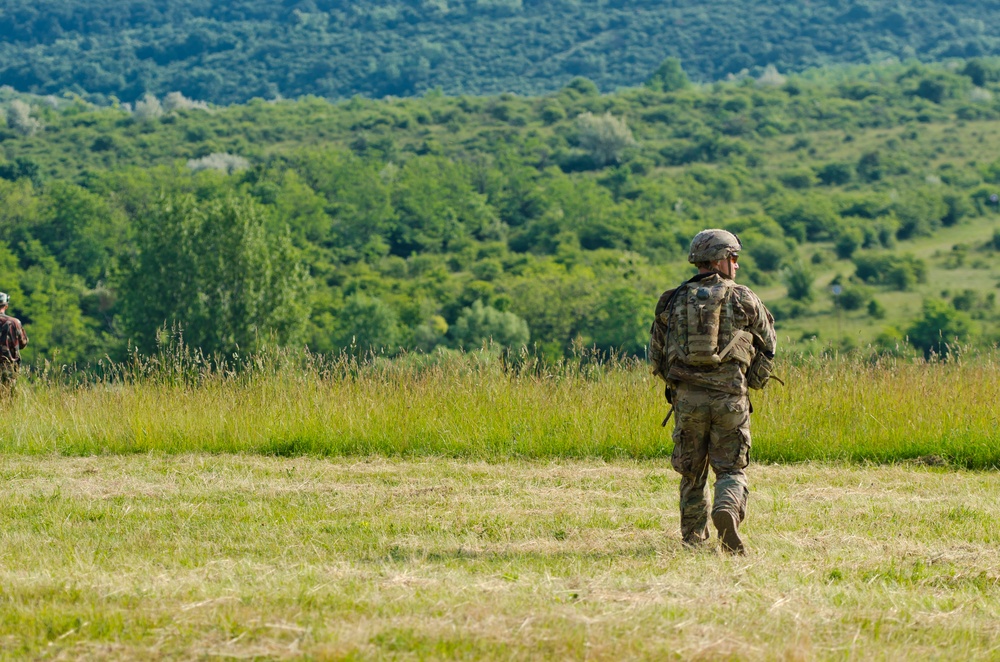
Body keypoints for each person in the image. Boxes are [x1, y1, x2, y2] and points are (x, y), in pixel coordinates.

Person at [650, 230, 776, 554]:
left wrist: (678, 387)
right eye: (733, 258)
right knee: (732, 468)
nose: (736, 264)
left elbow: (656, 354)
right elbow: (769, 345)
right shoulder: (744, 297)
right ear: (720, 260)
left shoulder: (672, 299)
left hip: (687, 401)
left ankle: (693, 538)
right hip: (730, 400)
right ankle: (727, 509)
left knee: (692, 472)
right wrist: (753, 382)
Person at [0, 292, 29, 399]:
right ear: (6, 306)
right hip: (9, 366)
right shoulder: (15, 322)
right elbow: (23, 344)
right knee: (8, 398)